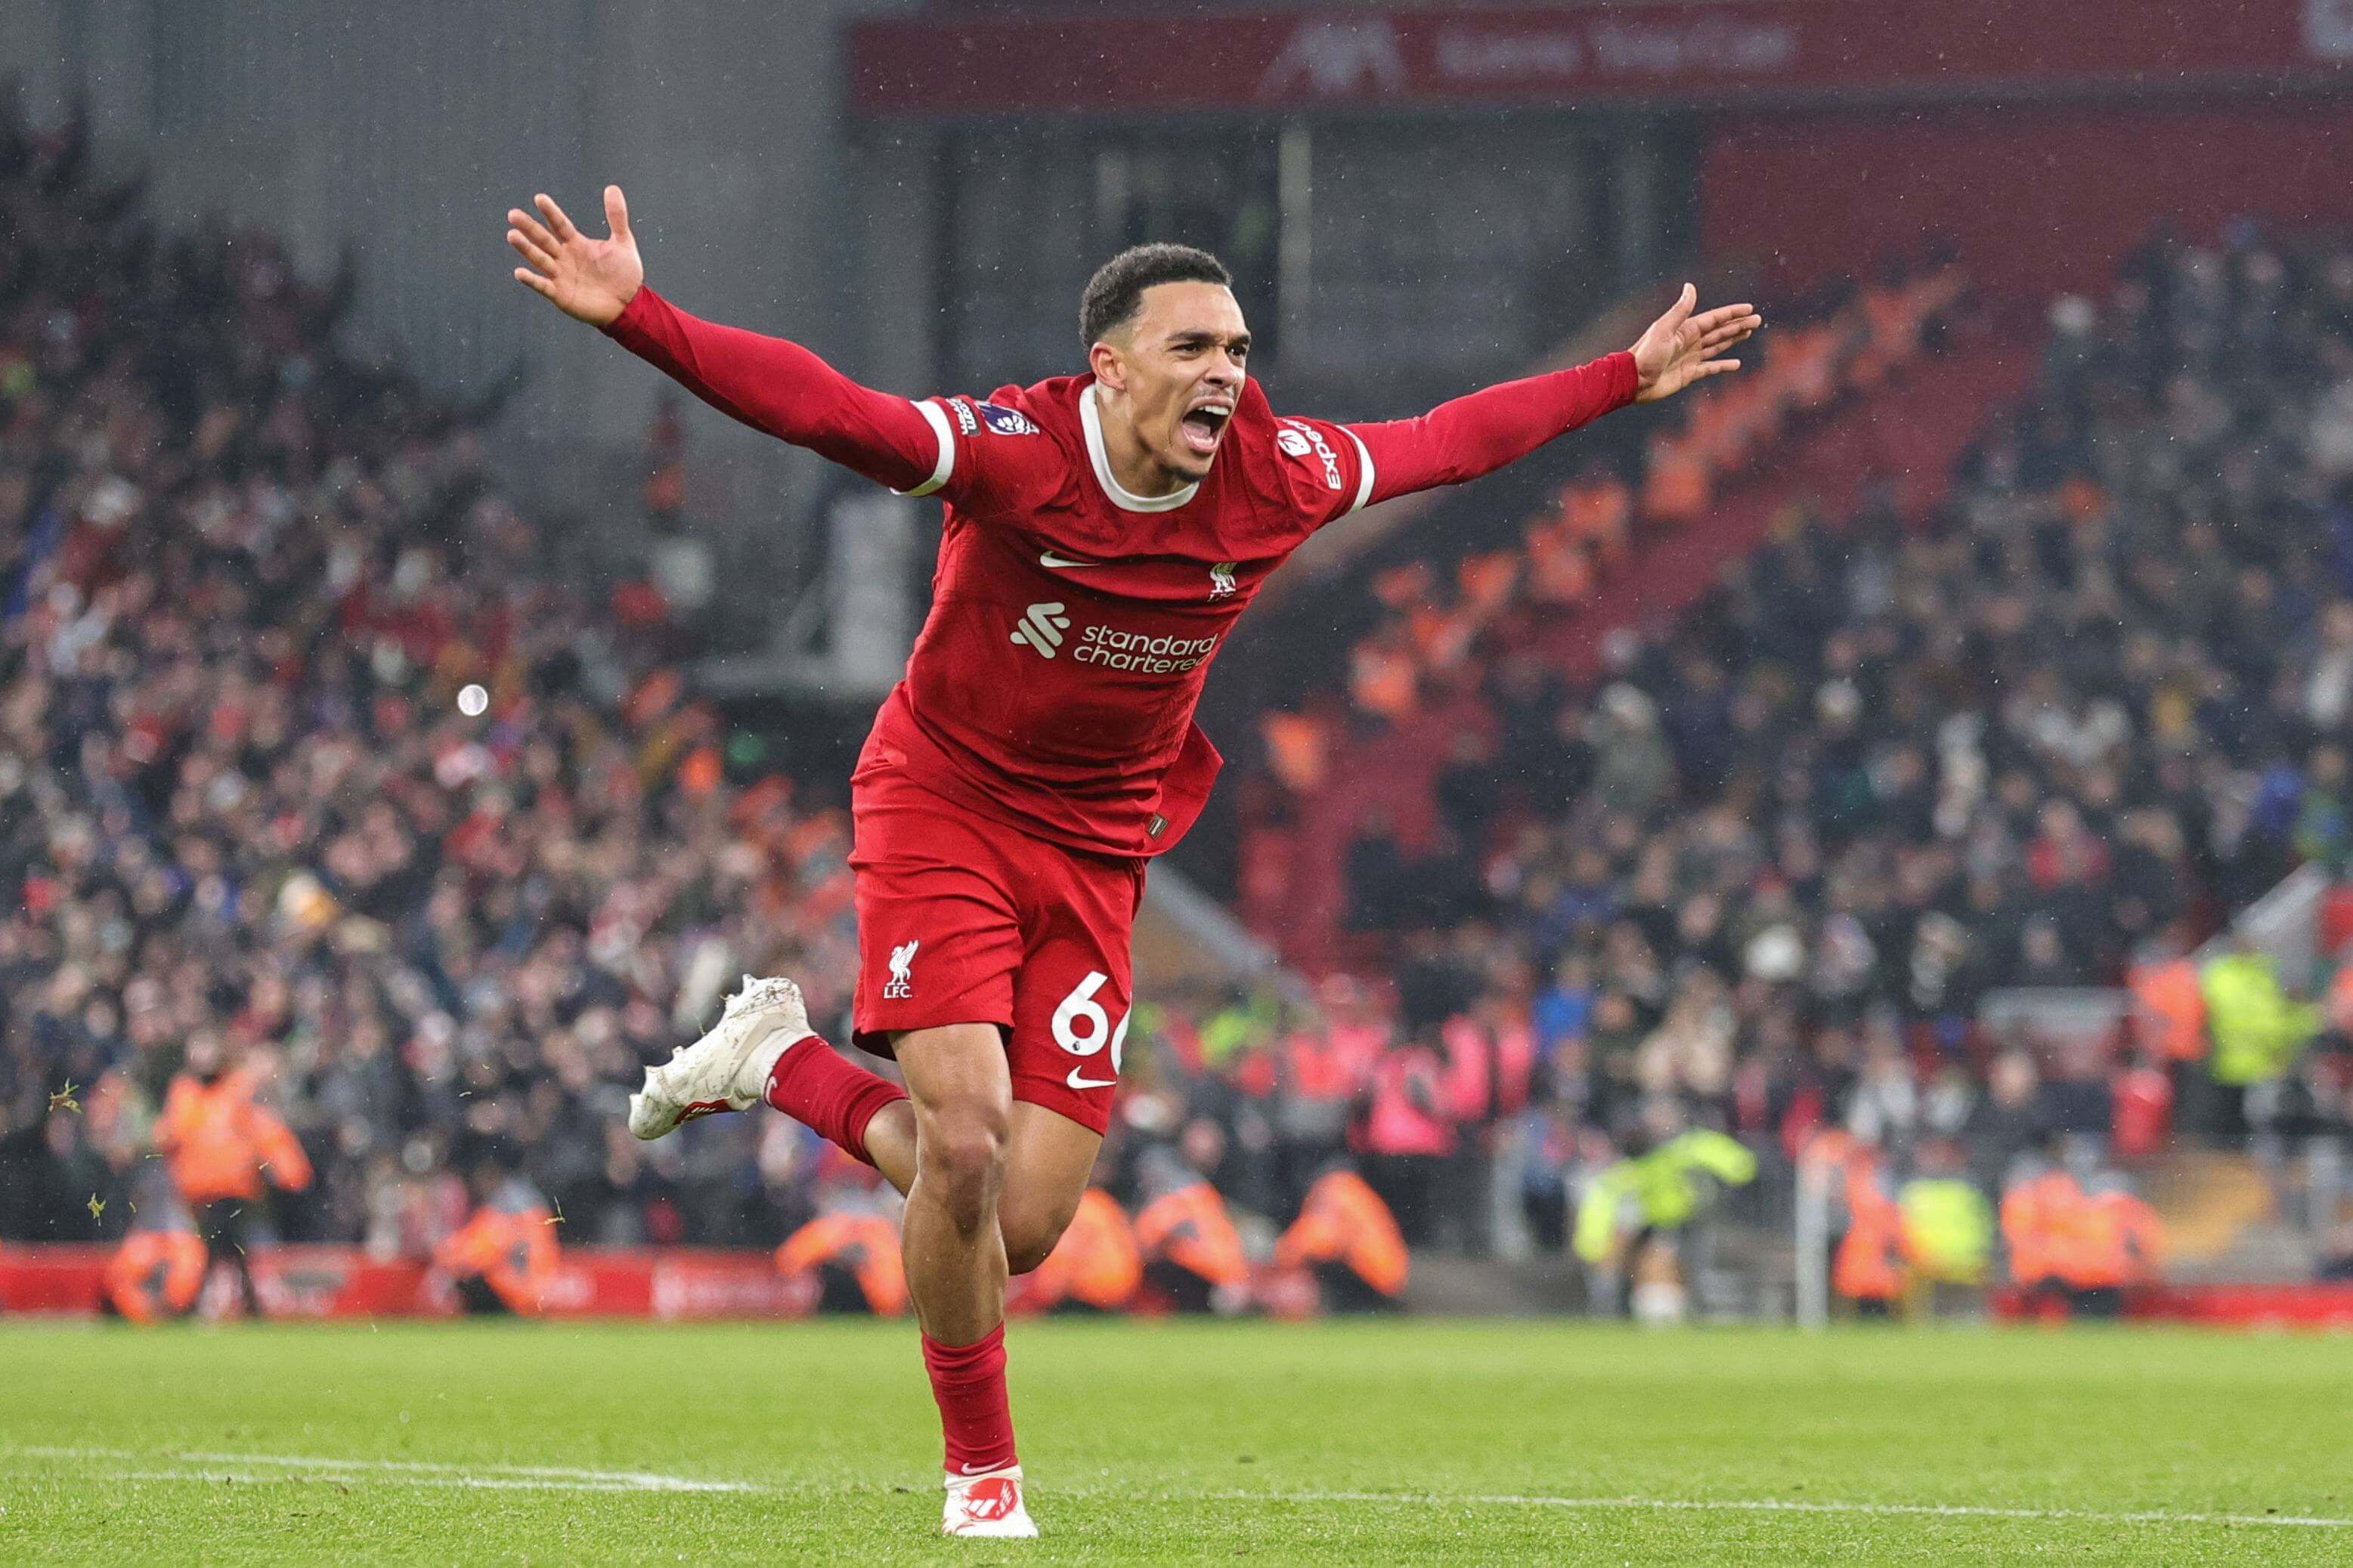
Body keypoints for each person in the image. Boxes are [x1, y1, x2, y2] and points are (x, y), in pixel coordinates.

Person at [506, 182, 1757, 1538]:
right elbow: (829, 411)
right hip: (943, 806)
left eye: (1236, 349)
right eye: (1191, 347)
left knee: (1019, 1226)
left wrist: (1621, 377)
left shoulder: (1276, 475)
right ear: (1108, 366)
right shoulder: (1018, 453)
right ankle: (984, 1476)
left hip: (1101, 849)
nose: (1225, 372)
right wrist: (640, 317)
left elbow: (1449, 441)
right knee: (963, 1140)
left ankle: (779, 1062)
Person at [151, 1035, 313, 1319]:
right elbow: (170, 1135)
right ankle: (238, 1302)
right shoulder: (187, 1092)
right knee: (223, 1248)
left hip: (233, 1187)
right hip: (198, 1189)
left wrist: (288, 1169)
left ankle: (196, 1303)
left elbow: (264, 1130)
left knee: (220, 1246)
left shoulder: (236, 1089)